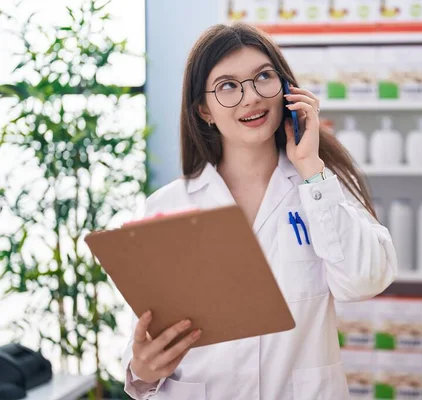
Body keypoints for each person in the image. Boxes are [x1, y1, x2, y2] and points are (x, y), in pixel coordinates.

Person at [121, 22, 397, 400]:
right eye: (228, 86)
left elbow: (364, 281)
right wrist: (142, 369)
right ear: (204, 110)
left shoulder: (322, 185)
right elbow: (146, 333)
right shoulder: (167, 207)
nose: (250, 97)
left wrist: (311, 169)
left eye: (263, 77)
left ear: (286, 89)